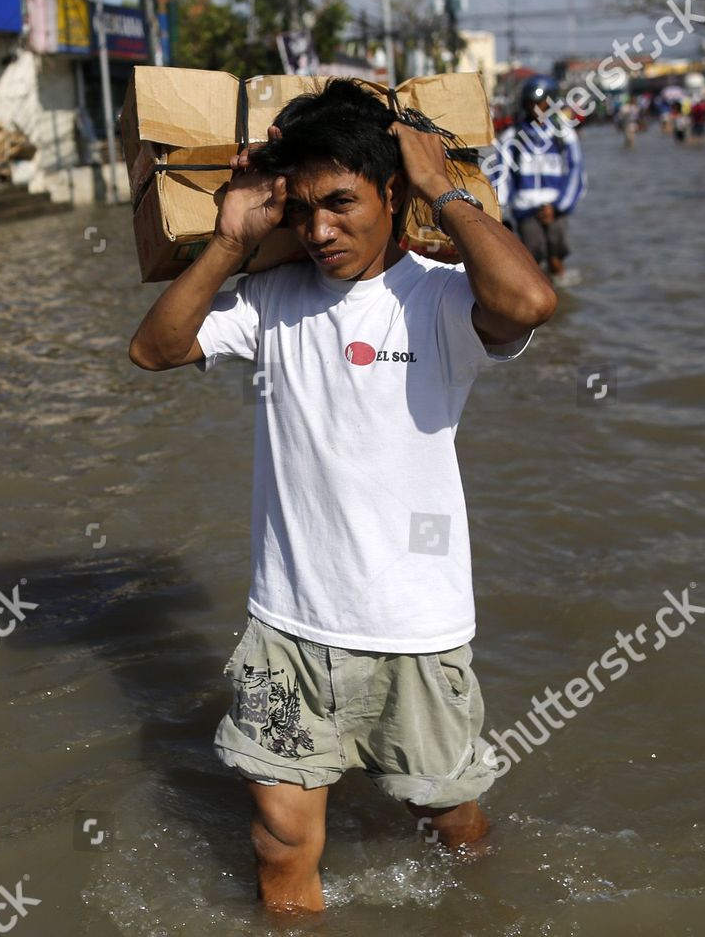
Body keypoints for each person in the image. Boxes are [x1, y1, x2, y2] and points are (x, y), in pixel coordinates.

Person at [127, 80, 556, 915]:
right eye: (305, 210)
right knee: (280, 844)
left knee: (450, 819)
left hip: (415, 635)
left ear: (390, 193)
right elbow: (154, 349)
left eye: (342, 203)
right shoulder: (273, 302)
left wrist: (444, 187)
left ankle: (488, 900)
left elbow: (530, 300)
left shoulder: (438, 296)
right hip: (286, 630)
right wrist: (228, 239)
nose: (321, 230)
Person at [488, 75, 586, 278]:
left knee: (556, 258)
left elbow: (575, 172)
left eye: (542, 103)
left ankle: (560, 298)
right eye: (532, 103)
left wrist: (559, 206)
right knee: (532, 258)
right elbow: (501, 176)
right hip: (524, 208)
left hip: (555, 207)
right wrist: (501, 212)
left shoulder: (563, 135)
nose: (537, 108)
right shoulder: (511, 137)